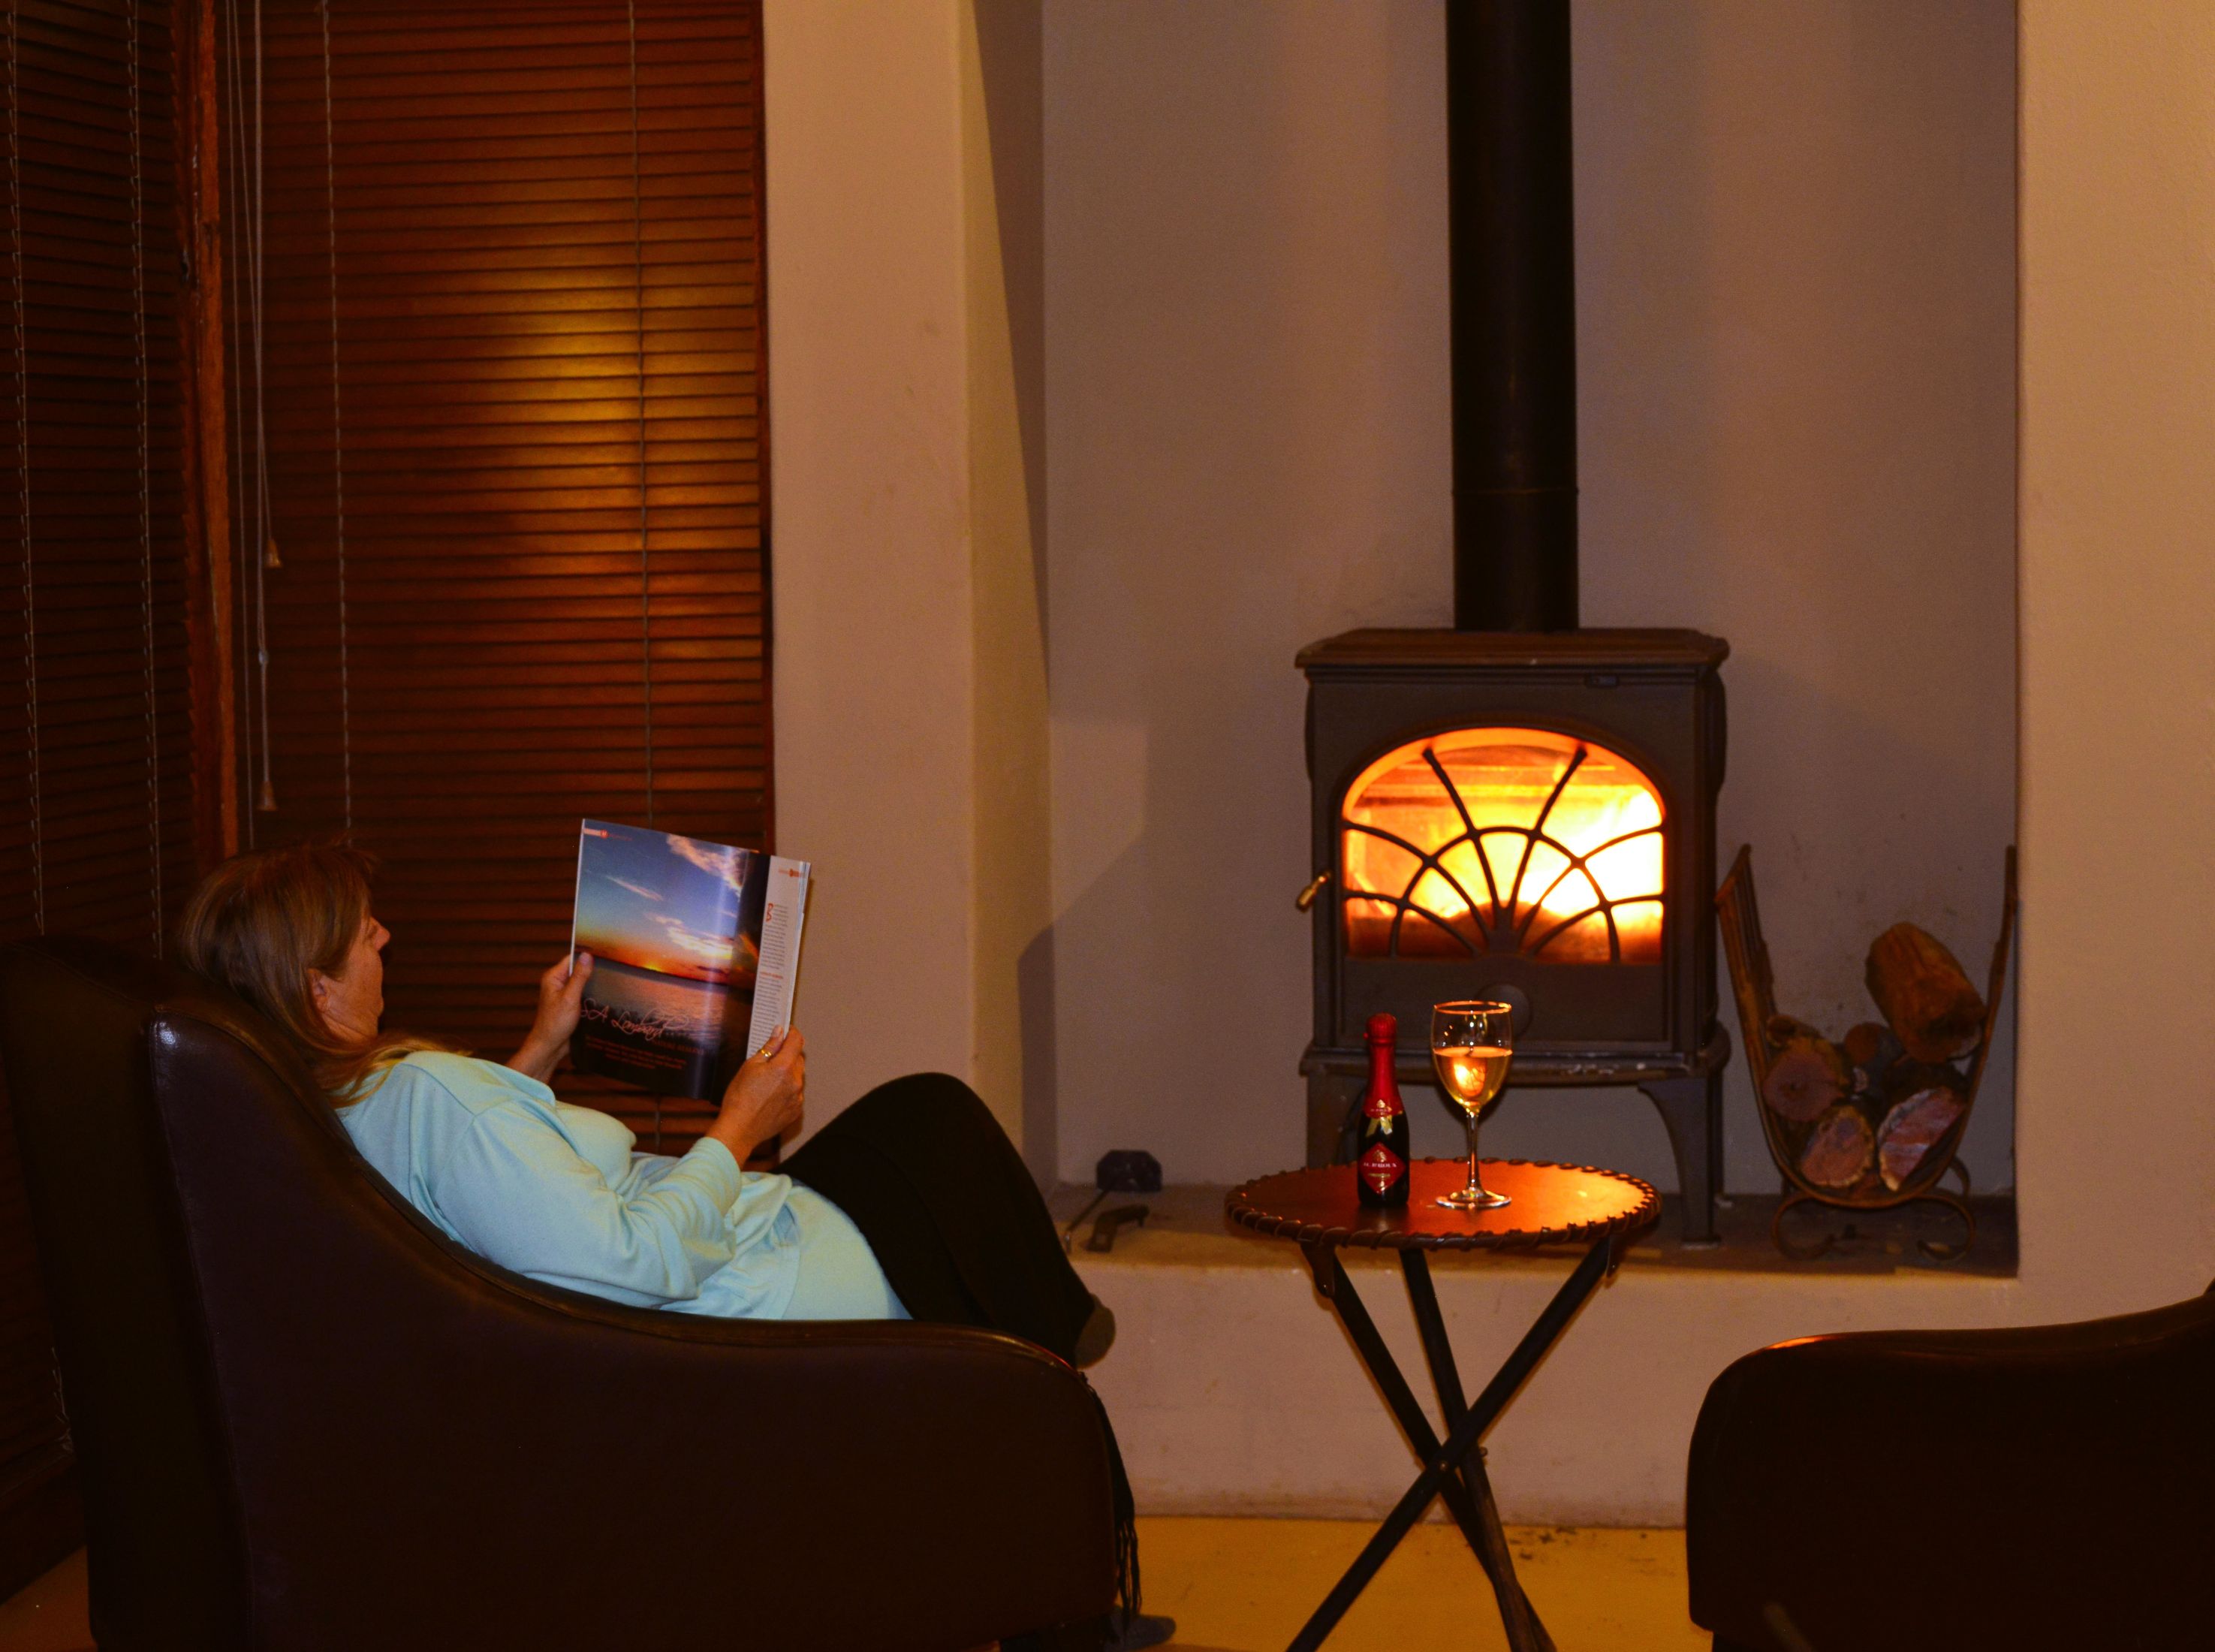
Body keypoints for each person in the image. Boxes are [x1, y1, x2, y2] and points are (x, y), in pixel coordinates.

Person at [176, 841, 1167, 1651]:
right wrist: (735, 1127)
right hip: (724, 1309)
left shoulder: (335, 1108)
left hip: (710, 1256)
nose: (385, 936)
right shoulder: (426, 1097)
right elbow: (626, 1262)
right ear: (317, 991)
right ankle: (1059, 1395)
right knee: (950, 1165)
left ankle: (1054, 1347)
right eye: (362, 935)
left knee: (924, 1116)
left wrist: (542, 1050)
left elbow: (483, 1183)